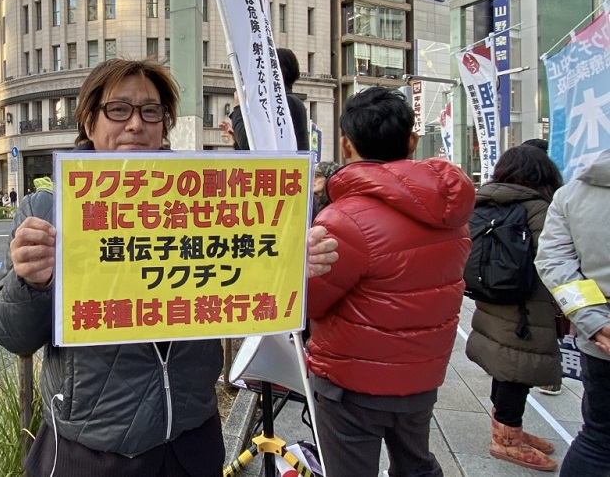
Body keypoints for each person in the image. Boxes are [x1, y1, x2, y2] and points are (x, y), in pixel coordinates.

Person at [0, 58, 340, 477]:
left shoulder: (205, 201)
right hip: (91, 449)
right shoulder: (47, 210)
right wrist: (30, 282)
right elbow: (13, 335)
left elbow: (236, 297)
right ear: (89, 121)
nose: (136, 124)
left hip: (192, 440)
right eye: (118, 109)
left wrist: (284, 263)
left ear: (164, 123)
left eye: (150, 111)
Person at [306, 87, 476, 477]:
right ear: (412, 141)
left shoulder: (343, 219)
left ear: (346, 146)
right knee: (416, 464)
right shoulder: (452, 214)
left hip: (352, 383)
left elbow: (311, 302)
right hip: (421, 376)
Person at [464, 145, 563, 472]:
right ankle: (506, 439)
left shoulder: (484, 201)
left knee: (505, 365)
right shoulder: (540, 209)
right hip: (526, 307)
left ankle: (510, 428)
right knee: (517, 369)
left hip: (492, 298)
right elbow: (554, 260)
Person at [535, 148, 610, 477]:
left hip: (602, 338)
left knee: (598, 439)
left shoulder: (572, 195)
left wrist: (595, 322)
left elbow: (555, 264)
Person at [221, 47, 310, 152]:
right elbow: (257, 148)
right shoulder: (291, 102)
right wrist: (237, 138)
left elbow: (248, 143)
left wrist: (238, 107)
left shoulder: (282, 103)